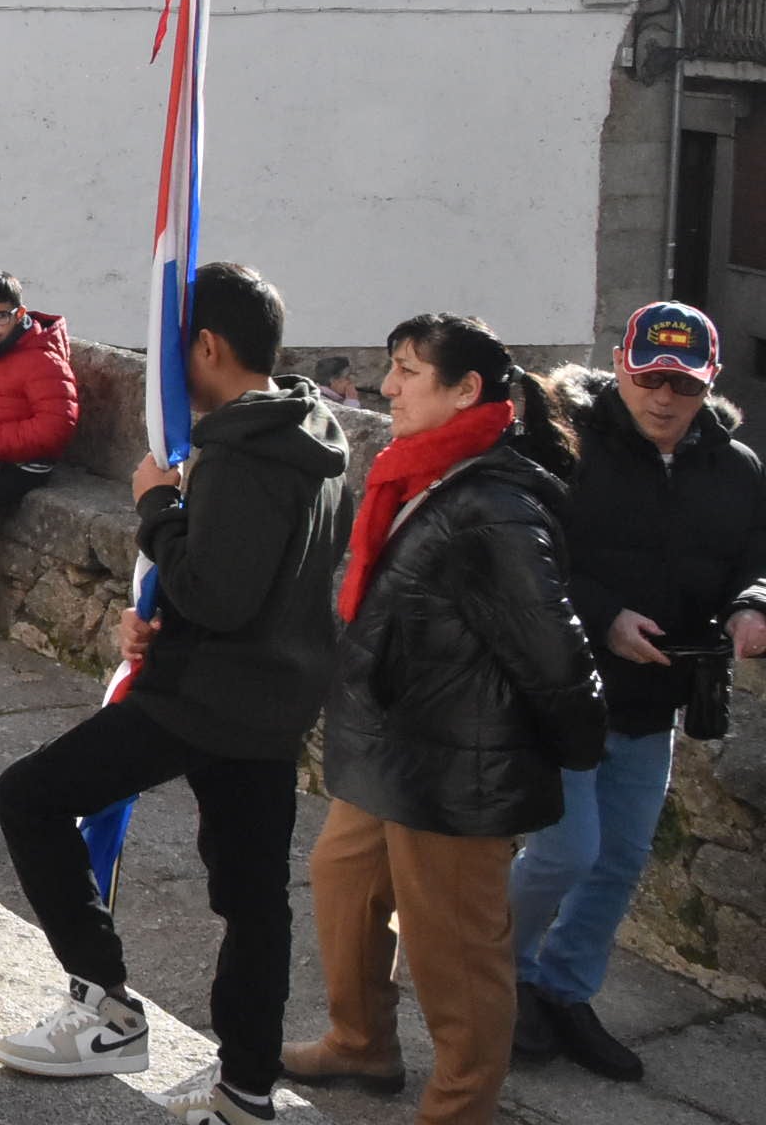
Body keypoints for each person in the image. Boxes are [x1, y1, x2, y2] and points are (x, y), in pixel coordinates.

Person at [0, 262, 349, 1125]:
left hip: (204, 700)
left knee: (28, 797)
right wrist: (155, 617)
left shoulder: (238, 450)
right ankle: (246, 1089)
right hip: (270, 698)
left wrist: (155, 507)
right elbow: (256, 581)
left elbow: (218, 592)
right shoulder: (311, 426)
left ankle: (107, 1009)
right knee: (253, 900)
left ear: (208, 346)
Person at [284, 313, 607, 1124]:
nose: (387, 387)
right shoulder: (423, 472)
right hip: (390, 750)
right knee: (342, 883)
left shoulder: (493, 505)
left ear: (466, 391)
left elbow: (555, 651)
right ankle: (361, 1045)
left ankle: (461, 1108)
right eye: (391, 369)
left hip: (457, 767)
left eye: (407, 372)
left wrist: (570, 748)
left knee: (455, 951)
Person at [510, 303, 766, 1081]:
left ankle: (564, 992)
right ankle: (497, 970)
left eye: (681, 386)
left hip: (654, 698)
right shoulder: (563, 441)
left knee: (619, 859)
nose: (663, 398)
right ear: (619, 363)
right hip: (561, 685)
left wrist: (753, 603)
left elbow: (758, 557)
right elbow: (521, 550)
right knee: (565, 850)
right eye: (649, 377)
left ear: (708, 384)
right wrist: (605, 616)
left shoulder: (738, 470)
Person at [0, 271, 79, 548]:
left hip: (22, 463)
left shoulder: (42, 360)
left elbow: (55, 428)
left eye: (1, 316)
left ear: (19, 312)